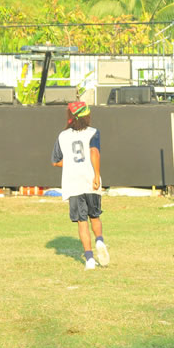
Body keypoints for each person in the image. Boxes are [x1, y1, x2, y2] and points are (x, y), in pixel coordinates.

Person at [51, 102, 109, 271]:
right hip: (90, 179)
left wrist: (70, 163)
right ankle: (99, 241)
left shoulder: (62, 136)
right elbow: (94, 152)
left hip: (73, 182)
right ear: (87, 116)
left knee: (82, 222)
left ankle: (89, 259)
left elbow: (55, 162)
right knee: (95, 216)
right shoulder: (93, 132)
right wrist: (96, 174)